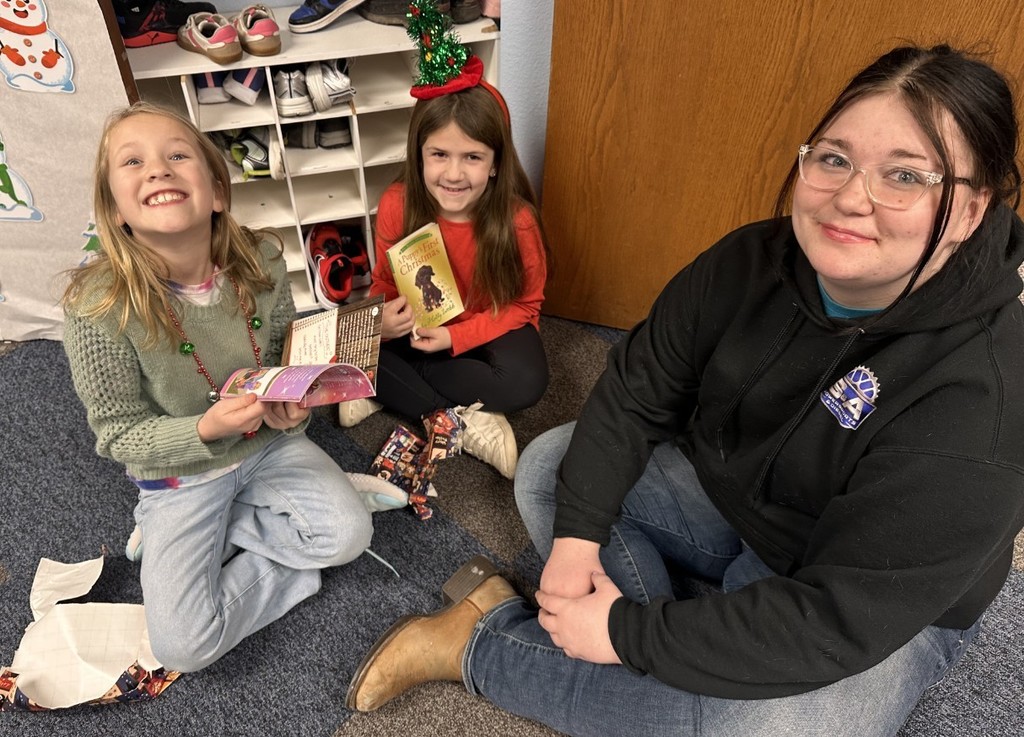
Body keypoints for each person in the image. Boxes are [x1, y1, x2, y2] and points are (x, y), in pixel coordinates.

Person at [342, 44, 1024, 735]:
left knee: (760, 728)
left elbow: (834, 621)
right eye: (833, 157)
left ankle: (483, 641)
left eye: (905, 175)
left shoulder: (985, 401)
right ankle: (669, 659)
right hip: (737, 499)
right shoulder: (750, 259)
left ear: (970, 210)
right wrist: (583, 554)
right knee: (551, 468)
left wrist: (626, 634)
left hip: (869, 597)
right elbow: (636, 390)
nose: (850, 196)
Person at [61, 101, 373, 673]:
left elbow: (286, 359)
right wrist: (205, 428)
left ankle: (224, 536)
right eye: (133, 162)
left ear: (218, 192)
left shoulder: (262, 262)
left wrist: (290, 411)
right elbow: (118, 436)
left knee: (351, 535)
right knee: (182, 647)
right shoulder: (97, 309)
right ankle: (234, 540)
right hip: (181, 474)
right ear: (114, 211)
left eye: (178, 155)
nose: (157, 169)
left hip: (267, 448)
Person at [336, 6, 549, 481]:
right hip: (419, 330)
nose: (454, 174)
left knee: (528, 379)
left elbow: (526, 306)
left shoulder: (516, 221)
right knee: (353, 338)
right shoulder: (397, 203)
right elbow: (387, 285)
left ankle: (394, 393)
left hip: (484, 328)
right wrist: (387, 321)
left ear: (495, 163)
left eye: (472, 157)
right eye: (440, 155)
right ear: (419, 154)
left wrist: (458, 336)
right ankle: (464, 420)